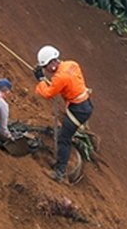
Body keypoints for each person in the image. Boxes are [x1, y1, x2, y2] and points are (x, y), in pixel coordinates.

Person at [33, 45, 92, 182]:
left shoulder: (60, 77)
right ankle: (60, 162)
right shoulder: (72, 64)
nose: (46, 70)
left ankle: (59, 172)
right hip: (85, 104)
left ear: (53, 64)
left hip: (78, 110)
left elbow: (48, 93)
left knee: (63, 138)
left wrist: (41, 80)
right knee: (64, 135)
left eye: (46, 66)